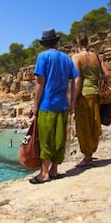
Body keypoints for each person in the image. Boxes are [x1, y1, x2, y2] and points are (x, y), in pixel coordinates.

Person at [30, 28, 81, 184]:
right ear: (57, 41)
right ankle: (54, 170)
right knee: (60, 138)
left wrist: (35, 105)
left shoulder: (43, 56)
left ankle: (44, 173)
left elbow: (40, 82)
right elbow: (75, 80)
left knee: (46, 138)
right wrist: (72, 102)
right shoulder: (66, 59)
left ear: (45, 43)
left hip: (46, 104)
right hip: (63, 105)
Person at [71, 33, 108, 167]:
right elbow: (107, 74)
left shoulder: (76, 57)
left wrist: (73, 99)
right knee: (94, 124)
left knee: (83, 126)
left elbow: (77, 79)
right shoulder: (96, 56)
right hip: (95, 94)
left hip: (83, 96)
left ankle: (87, 157)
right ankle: (90, 153)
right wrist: (100, 85)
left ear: (76, 45)